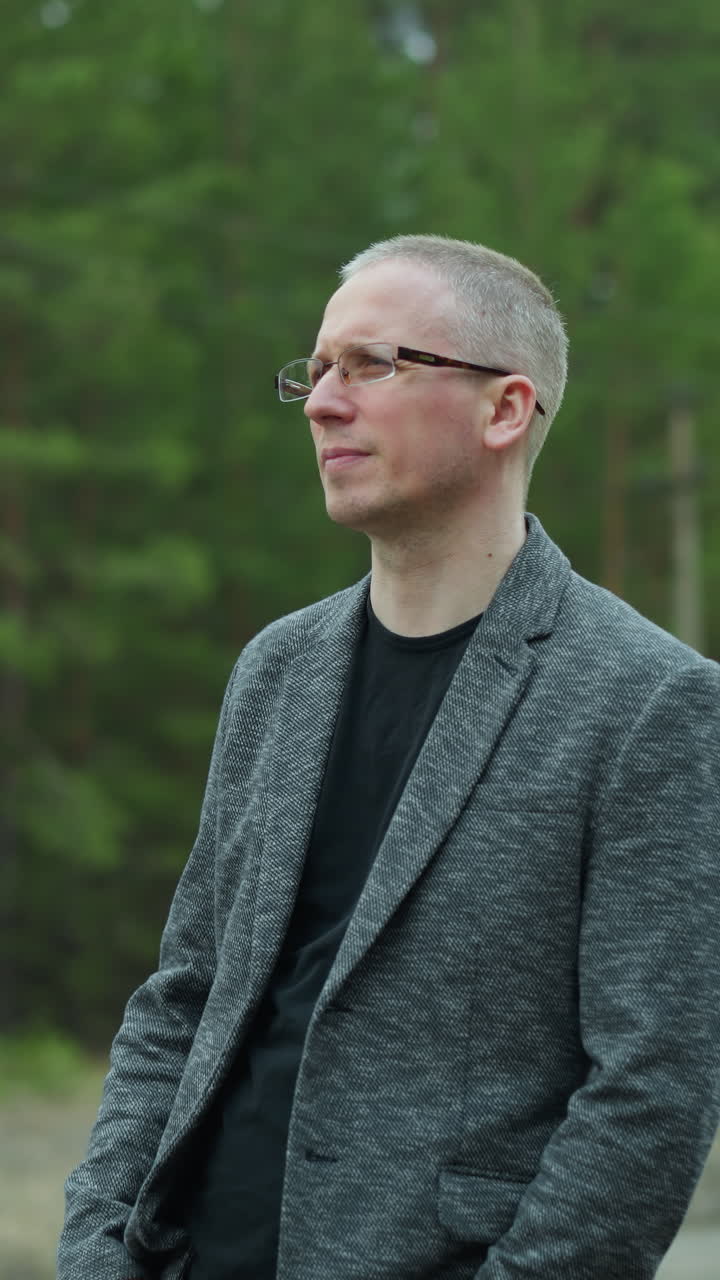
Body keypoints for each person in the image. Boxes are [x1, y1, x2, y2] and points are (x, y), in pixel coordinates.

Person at [58, 234, 720, 1280]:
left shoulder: (651, 701)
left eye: (373, 364)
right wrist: (96, 1246)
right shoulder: (276, 669)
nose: (323, 402)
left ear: (505, 409)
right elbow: (184, 994)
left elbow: (653, 1087)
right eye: (315, 370)